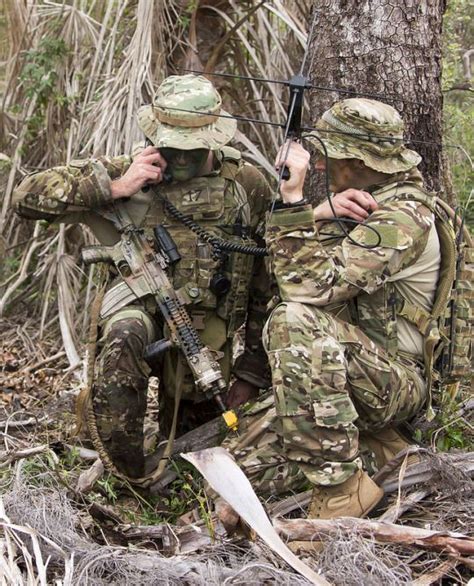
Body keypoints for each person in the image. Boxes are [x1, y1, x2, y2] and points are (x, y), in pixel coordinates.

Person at [12, 74, 272, 479]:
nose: (181, 159)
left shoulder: (246, 185)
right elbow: (26, 196)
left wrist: (252, 370)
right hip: (140, 316)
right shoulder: (131, 172)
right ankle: (126, 480)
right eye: (172, 147)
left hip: (203, 340)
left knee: (194, 457)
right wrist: (115, 186)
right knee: (124, 336)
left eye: (192, 148)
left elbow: (265, 281)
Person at [222, 98, 440, 519]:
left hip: (396, 383)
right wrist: (317, 213)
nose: (320, 166)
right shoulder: (365, 202)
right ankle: (381, 446)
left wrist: (292, 199)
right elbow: (280, 265)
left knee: (292, 322)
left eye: (329, 156)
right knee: (237, 466)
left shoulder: (402, 217)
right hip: (346, 377)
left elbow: (304, 289)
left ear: (358, 160)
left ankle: (342, 490)